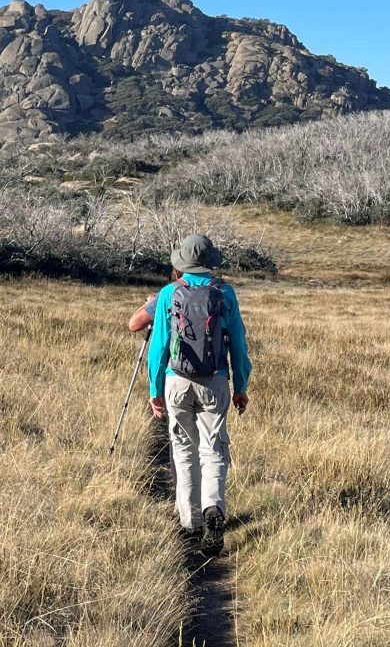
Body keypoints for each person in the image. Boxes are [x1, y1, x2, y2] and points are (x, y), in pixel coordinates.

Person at [128, 234, 251, 557]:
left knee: (183, 449)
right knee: (214, 448)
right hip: (215, 381)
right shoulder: (225, 293)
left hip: (177, 381)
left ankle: (190, 522)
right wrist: (241, 386)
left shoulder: (169, 293)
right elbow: (238, 342)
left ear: (181, 262)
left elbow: (159, 347)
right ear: (211, 261)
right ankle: (214, 508)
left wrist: (155, 390)